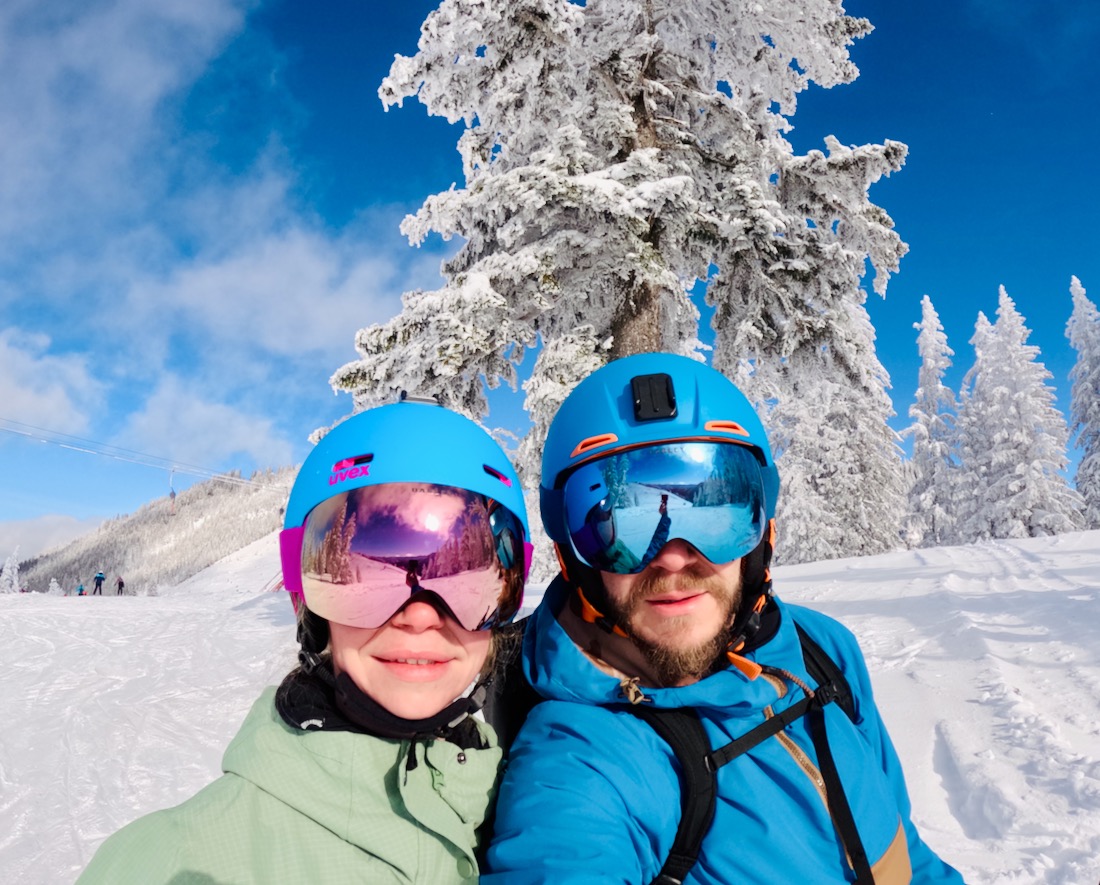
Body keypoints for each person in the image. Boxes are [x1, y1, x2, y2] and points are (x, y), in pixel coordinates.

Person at [484, 353, 964, 884]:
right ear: (573, 556)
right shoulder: (584, 758)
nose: (672, 557)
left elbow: (904, 852)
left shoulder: (820, 651)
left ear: (762, 530)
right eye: (623, 526)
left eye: (715, 515)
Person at [78, 397, 531, 884]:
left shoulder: (526, 807)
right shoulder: (176, 861)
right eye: (365, 574)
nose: (421, 617)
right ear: (308, 608)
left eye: (467, 575)